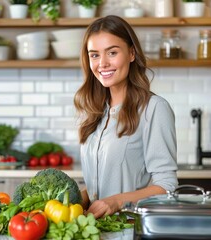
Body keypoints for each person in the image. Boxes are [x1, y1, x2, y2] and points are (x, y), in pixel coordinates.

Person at [74, 15, 178, 219]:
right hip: (96, 229)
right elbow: (102, 183)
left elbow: (167, 187)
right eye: (94, 55)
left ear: (131, 53)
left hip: (131, 229)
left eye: (112, 52)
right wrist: (79, 198)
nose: (102, 63)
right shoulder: (95, 112)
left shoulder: (154, 109)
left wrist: (115, 201)